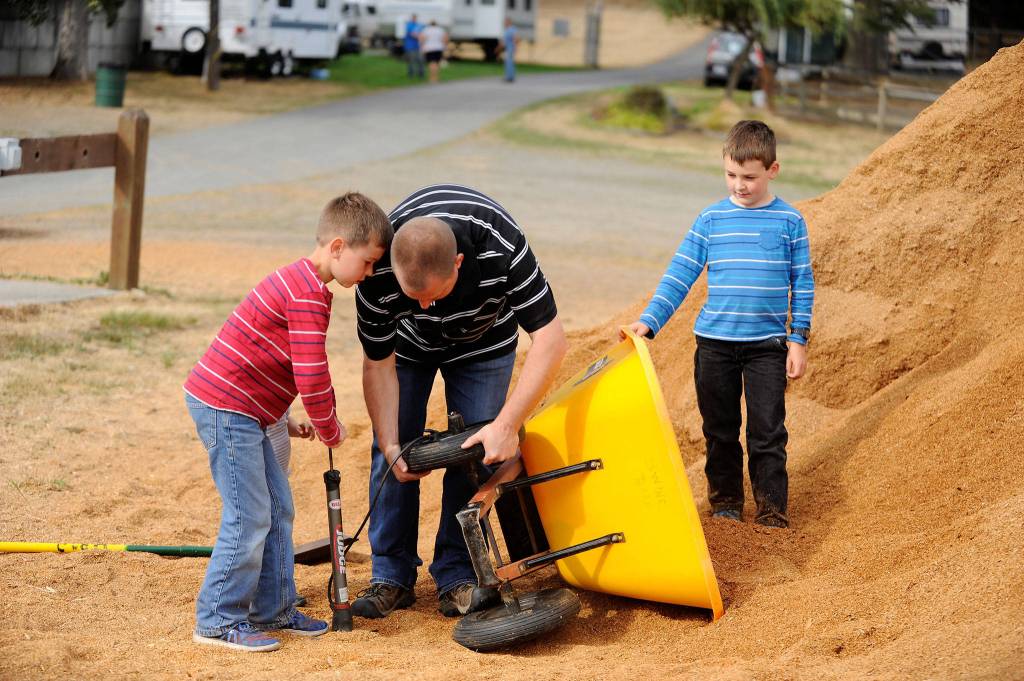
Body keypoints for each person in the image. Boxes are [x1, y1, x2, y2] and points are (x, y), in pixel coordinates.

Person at [184, 192, 393, 652]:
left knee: (279, 509)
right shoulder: (306, 295)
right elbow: (311, 373)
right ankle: (217, 620)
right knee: (249, 515)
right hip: (225, 407)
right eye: (369, 262)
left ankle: (273, 608)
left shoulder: (307, 285)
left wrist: (283, 413)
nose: (370, 274)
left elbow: (270, 359)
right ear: (338, 247)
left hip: (248, 409)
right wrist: (330, 425)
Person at [352, 183, 568, 619]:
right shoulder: (375, 273)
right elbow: (378, 365)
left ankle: (456, 575)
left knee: (478, 450)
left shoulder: (500, 244)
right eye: (416, 298)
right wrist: (392, 442)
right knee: (391, 450)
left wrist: (507, 424)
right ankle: (391, 575)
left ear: (458, 262)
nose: (428, 305)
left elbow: (551, 340)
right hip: (409, 349)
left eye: (436, 292)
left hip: (485, 341)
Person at [623, 120, 815, 529]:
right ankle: (726, 504)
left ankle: (771, 511)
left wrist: (797, 340)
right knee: (720, 430)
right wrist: (649, 321)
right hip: (714, 345)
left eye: (749, 176)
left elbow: (804, 283)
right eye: (731, 175)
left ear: (772, 171)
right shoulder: (711, 220)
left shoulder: (790, 222)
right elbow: (681, 274)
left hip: (767, 345)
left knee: (767, 431)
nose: (739, 185)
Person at [403, 14, 424, 79]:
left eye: (415, 18)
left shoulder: (419, 25)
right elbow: (412, 34)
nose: (415, 19)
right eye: (414, 18)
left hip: (418, 46)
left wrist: (421, 38)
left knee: (420, 60)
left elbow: (422, 33)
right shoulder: (409, 25)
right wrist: (420, 37)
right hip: (410, 46)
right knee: (411, 60)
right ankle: (411, 74)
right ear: (412, 18)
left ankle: (421, 74)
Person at [499, 17, 520, 83]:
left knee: (509, 63)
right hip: (507, 48)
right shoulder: (507, 30)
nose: (504, 23)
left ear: (509, 22)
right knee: (508, 63)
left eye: (505, 22)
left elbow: (516, 38)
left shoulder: (512, 29)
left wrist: (515, 47)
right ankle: (509, 77)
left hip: (510, 48)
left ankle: (509, 77)